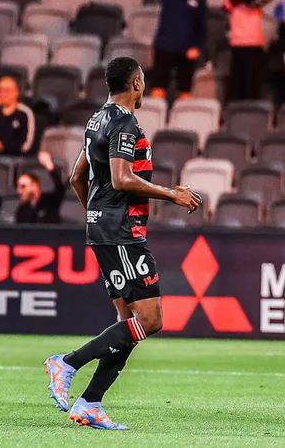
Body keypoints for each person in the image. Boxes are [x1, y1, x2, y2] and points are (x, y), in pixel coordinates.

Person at [44, 57, 202, 430]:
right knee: (151, 320)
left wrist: (95, 215)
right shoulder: (124, 122)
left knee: (128, 322)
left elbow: (76, 176)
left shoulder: (96, 120)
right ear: (136, 83)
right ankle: (67, 362)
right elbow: (120, 178)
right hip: (121, 232)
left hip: (106, 229)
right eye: (142, 81)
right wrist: (172, 194)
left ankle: (90, 403)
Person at [16, 151, 65, 224]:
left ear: (34, 186)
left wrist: (49, 166)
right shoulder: (22, 210)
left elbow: (60, 188)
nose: (19, 191)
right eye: (18, 187)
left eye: (23, 186)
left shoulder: (50, 201)